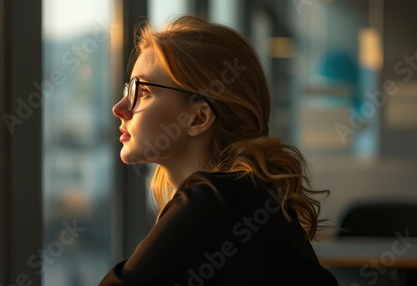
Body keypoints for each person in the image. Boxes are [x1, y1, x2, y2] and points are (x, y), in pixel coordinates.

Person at [99, 16, 338, 285]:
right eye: (128, 88)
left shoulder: (216, 199)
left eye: (142, 92)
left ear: (199, 118)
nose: (119, 108)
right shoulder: (247, 196)